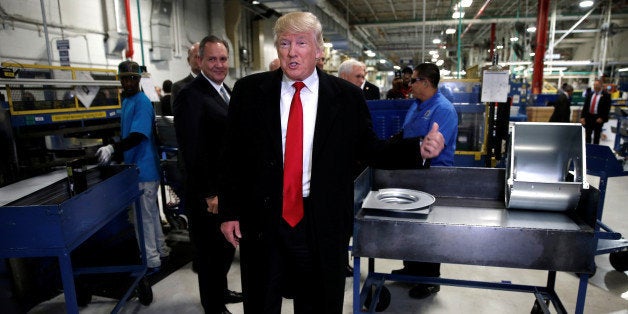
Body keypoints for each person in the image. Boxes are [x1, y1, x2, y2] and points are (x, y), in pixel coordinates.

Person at [219, 11, 445, 314]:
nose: (292, 51)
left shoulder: (346, 97)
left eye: (301, 42)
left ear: (318, 49)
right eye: (285, 43)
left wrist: (419, 149)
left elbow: (371, 149)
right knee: (260, 301)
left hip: (319, 222)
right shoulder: (249, 92)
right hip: (262, 221)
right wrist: (229, 211)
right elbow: (233, 156)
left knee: (318, 303)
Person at [173, 35, 242, 314]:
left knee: (225, 248)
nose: (218, 64)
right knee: (210, 252)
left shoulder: (228, 91)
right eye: (212, 59)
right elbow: (193, 150)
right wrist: (209, 193)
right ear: (200, 61)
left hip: (227, 189)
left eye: (223, 59)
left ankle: (221, 291)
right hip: (208, 193)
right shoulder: (191, 95)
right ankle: (213, 306)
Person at [391, 62, 458, 299]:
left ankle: (430, 279)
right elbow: (408, 134)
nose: (409, 84)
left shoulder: (443, 110)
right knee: (410, 225)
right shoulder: (417, 105)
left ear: (426, 83)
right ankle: (411, 269)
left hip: (433, 176)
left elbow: (433, 148)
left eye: (414, 80)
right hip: (412, 173)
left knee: (428, 230)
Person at [96, 60, 170, 274]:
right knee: (150, 214)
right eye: (125, 79)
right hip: (136, 167)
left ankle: (151, 261)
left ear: (138, 80)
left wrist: (113, 148)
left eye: (132, 78)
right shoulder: (127, 101)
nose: (128, 82)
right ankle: (160, 250)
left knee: (143, 218)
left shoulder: (142, 102)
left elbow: (138, 135)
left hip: (144, 169)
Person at [580, 79, 611, 144]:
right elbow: (585, 106)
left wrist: (602, 118)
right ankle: (587, 150)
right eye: (594, 85)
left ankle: (594, 151)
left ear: (601, 85)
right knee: (587, 136)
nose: (595, 86)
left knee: (596, 137)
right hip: (589, 117)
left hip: (598, 119)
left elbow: (607, 108)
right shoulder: (590, 94)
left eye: (597, 85)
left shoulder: (606, 95)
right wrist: (582, 117)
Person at [171, 42, 201, 107]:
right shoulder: (178, 87)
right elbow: (178, 113)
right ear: (188, 60)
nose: (200, 60)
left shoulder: (214, 85)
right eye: (196, 57)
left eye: (202, 57)